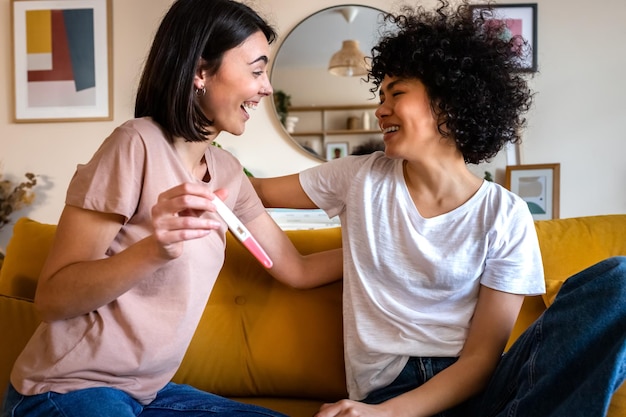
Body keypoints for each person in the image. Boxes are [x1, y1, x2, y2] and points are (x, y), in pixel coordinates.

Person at [252, 1, 626, 416]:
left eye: (397, 93)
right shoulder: (359, 179)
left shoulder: (505, 215)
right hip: (387, 392)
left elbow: (480, 362)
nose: (380, 110)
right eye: (381, 96)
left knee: (620, 282)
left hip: (479, 393)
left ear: (448, 104)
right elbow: (253, 193)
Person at [0, 1, 342, 416]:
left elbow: (297, 270)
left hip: (147, 393)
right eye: (256, 71)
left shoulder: (229, 174)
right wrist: (153, 250)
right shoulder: (135, 144)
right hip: (67, 389)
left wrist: (382, 251)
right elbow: (53, 299)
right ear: (200, 72)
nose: (266, 88)